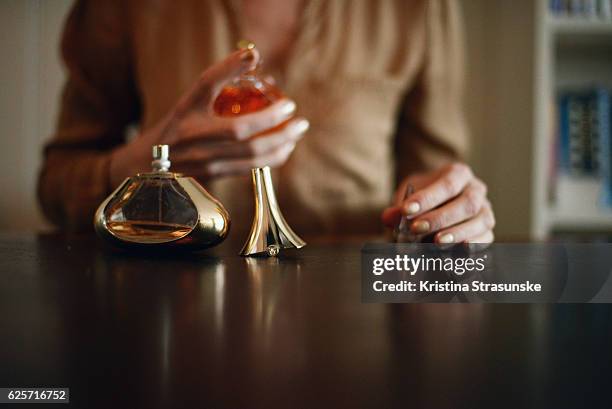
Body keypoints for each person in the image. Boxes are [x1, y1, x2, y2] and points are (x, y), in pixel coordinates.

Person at [37, 0, 495, 245]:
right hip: (171, 314)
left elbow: (432, 174)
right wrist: (145, 170)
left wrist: (441, 210)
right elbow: (57, 183)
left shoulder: (419, 7)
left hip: (355, 321)